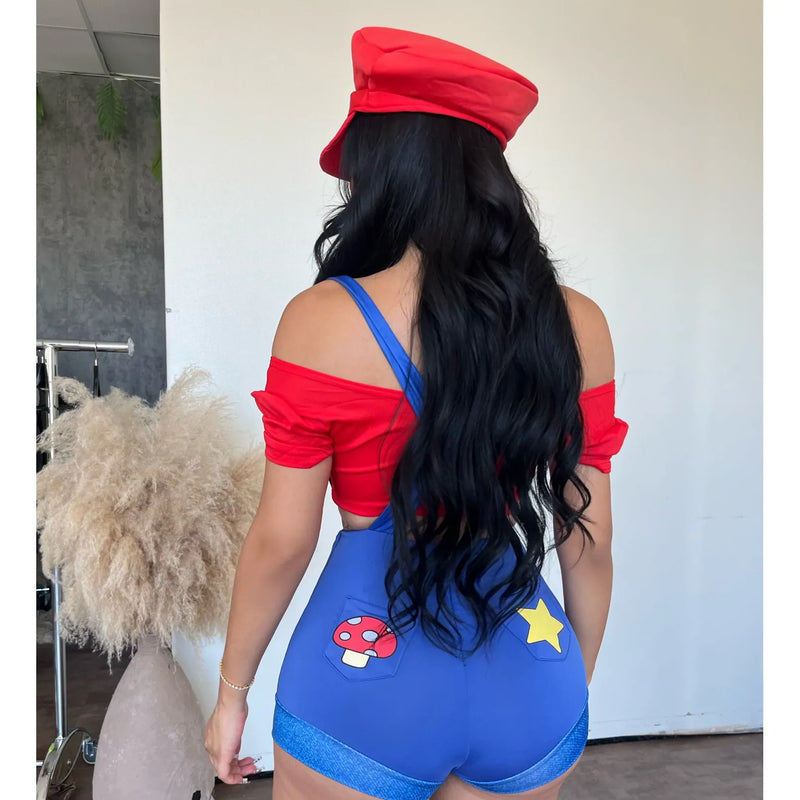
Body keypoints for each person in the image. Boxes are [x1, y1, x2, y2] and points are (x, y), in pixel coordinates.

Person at [204, 26, 629, 800]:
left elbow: (282, 540)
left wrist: (231, 694)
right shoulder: (579, 326)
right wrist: (568, 685)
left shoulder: (321, 322)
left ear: (387, 169)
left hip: (363, 678)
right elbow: (588, 545)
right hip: (530, 667)